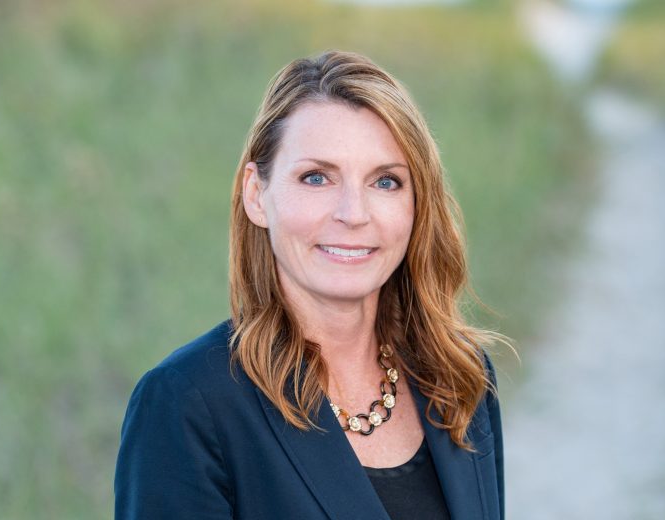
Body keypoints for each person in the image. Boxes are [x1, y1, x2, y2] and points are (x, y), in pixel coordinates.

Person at [115, 50, 505, 520]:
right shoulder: (187, 405)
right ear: (257, 195)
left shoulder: (461, 376)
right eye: (316, 177)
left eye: (385, 182)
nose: (353, 214)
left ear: (416, 204)